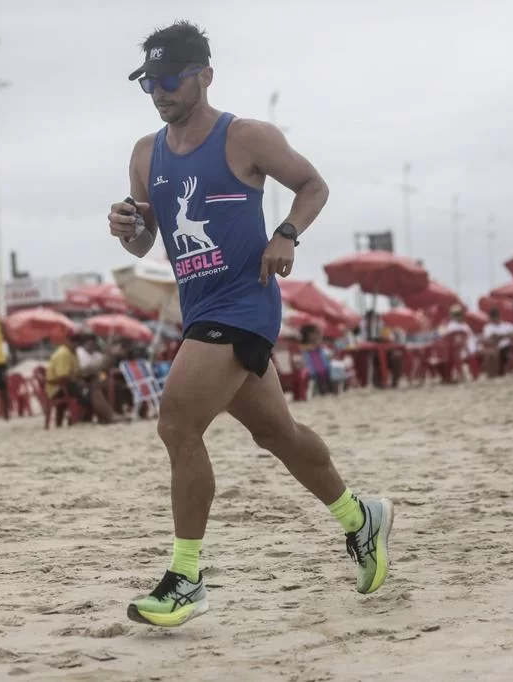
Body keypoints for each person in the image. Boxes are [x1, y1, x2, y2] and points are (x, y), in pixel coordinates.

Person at [108, 20, 393, 628]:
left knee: (177, 423)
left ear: (204, 75)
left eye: (168, 78)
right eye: (148, 82)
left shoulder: (247, 138)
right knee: (279, 436)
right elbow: (145, 242)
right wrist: (128, 228)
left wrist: (286, 233)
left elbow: (313, 185)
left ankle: (186, 578)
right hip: (200, 309)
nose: (158, 91)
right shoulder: (144, 154)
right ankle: (360, 517)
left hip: (245, 303)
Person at [481, 308, 513, 378]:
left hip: (508, 346)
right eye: (493, 317)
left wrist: (500, 336)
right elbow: (489, 339)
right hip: (496, 347)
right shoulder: (488, 327)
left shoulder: (507, 325)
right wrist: (506, 335)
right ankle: (493, 372)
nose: (495, 319)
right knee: (492, 352)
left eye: (495, 317)